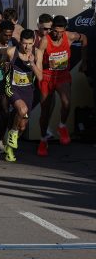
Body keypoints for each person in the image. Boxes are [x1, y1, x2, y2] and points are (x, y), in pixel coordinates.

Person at [34, 15, 87, 156]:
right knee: (45, 112)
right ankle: (43, 139)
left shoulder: (69, 36)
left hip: (62, 76)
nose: (58, 34)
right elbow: (39, 59)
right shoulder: (45, 40)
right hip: (47, 76)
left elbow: (84, 39)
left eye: (61, 32)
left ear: (65, 30)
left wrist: (84, 61)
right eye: (56, 31)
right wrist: (40, 77)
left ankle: (62, 126)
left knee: (66, 103)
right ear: (52, 29)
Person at [0, 29, 42, 162]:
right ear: (20, 42)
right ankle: (13, 133)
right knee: (22, 110)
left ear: (34, 42)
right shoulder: (11, 51)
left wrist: (32, 64)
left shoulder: (37, 53)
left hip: (28, 91)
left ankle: (9, 148)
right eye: (24, 43)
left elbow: (40, 77)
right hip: (12, 88)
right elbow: (0, 53)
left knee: (22, 126)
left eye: (30, 43)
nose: (27, 47)